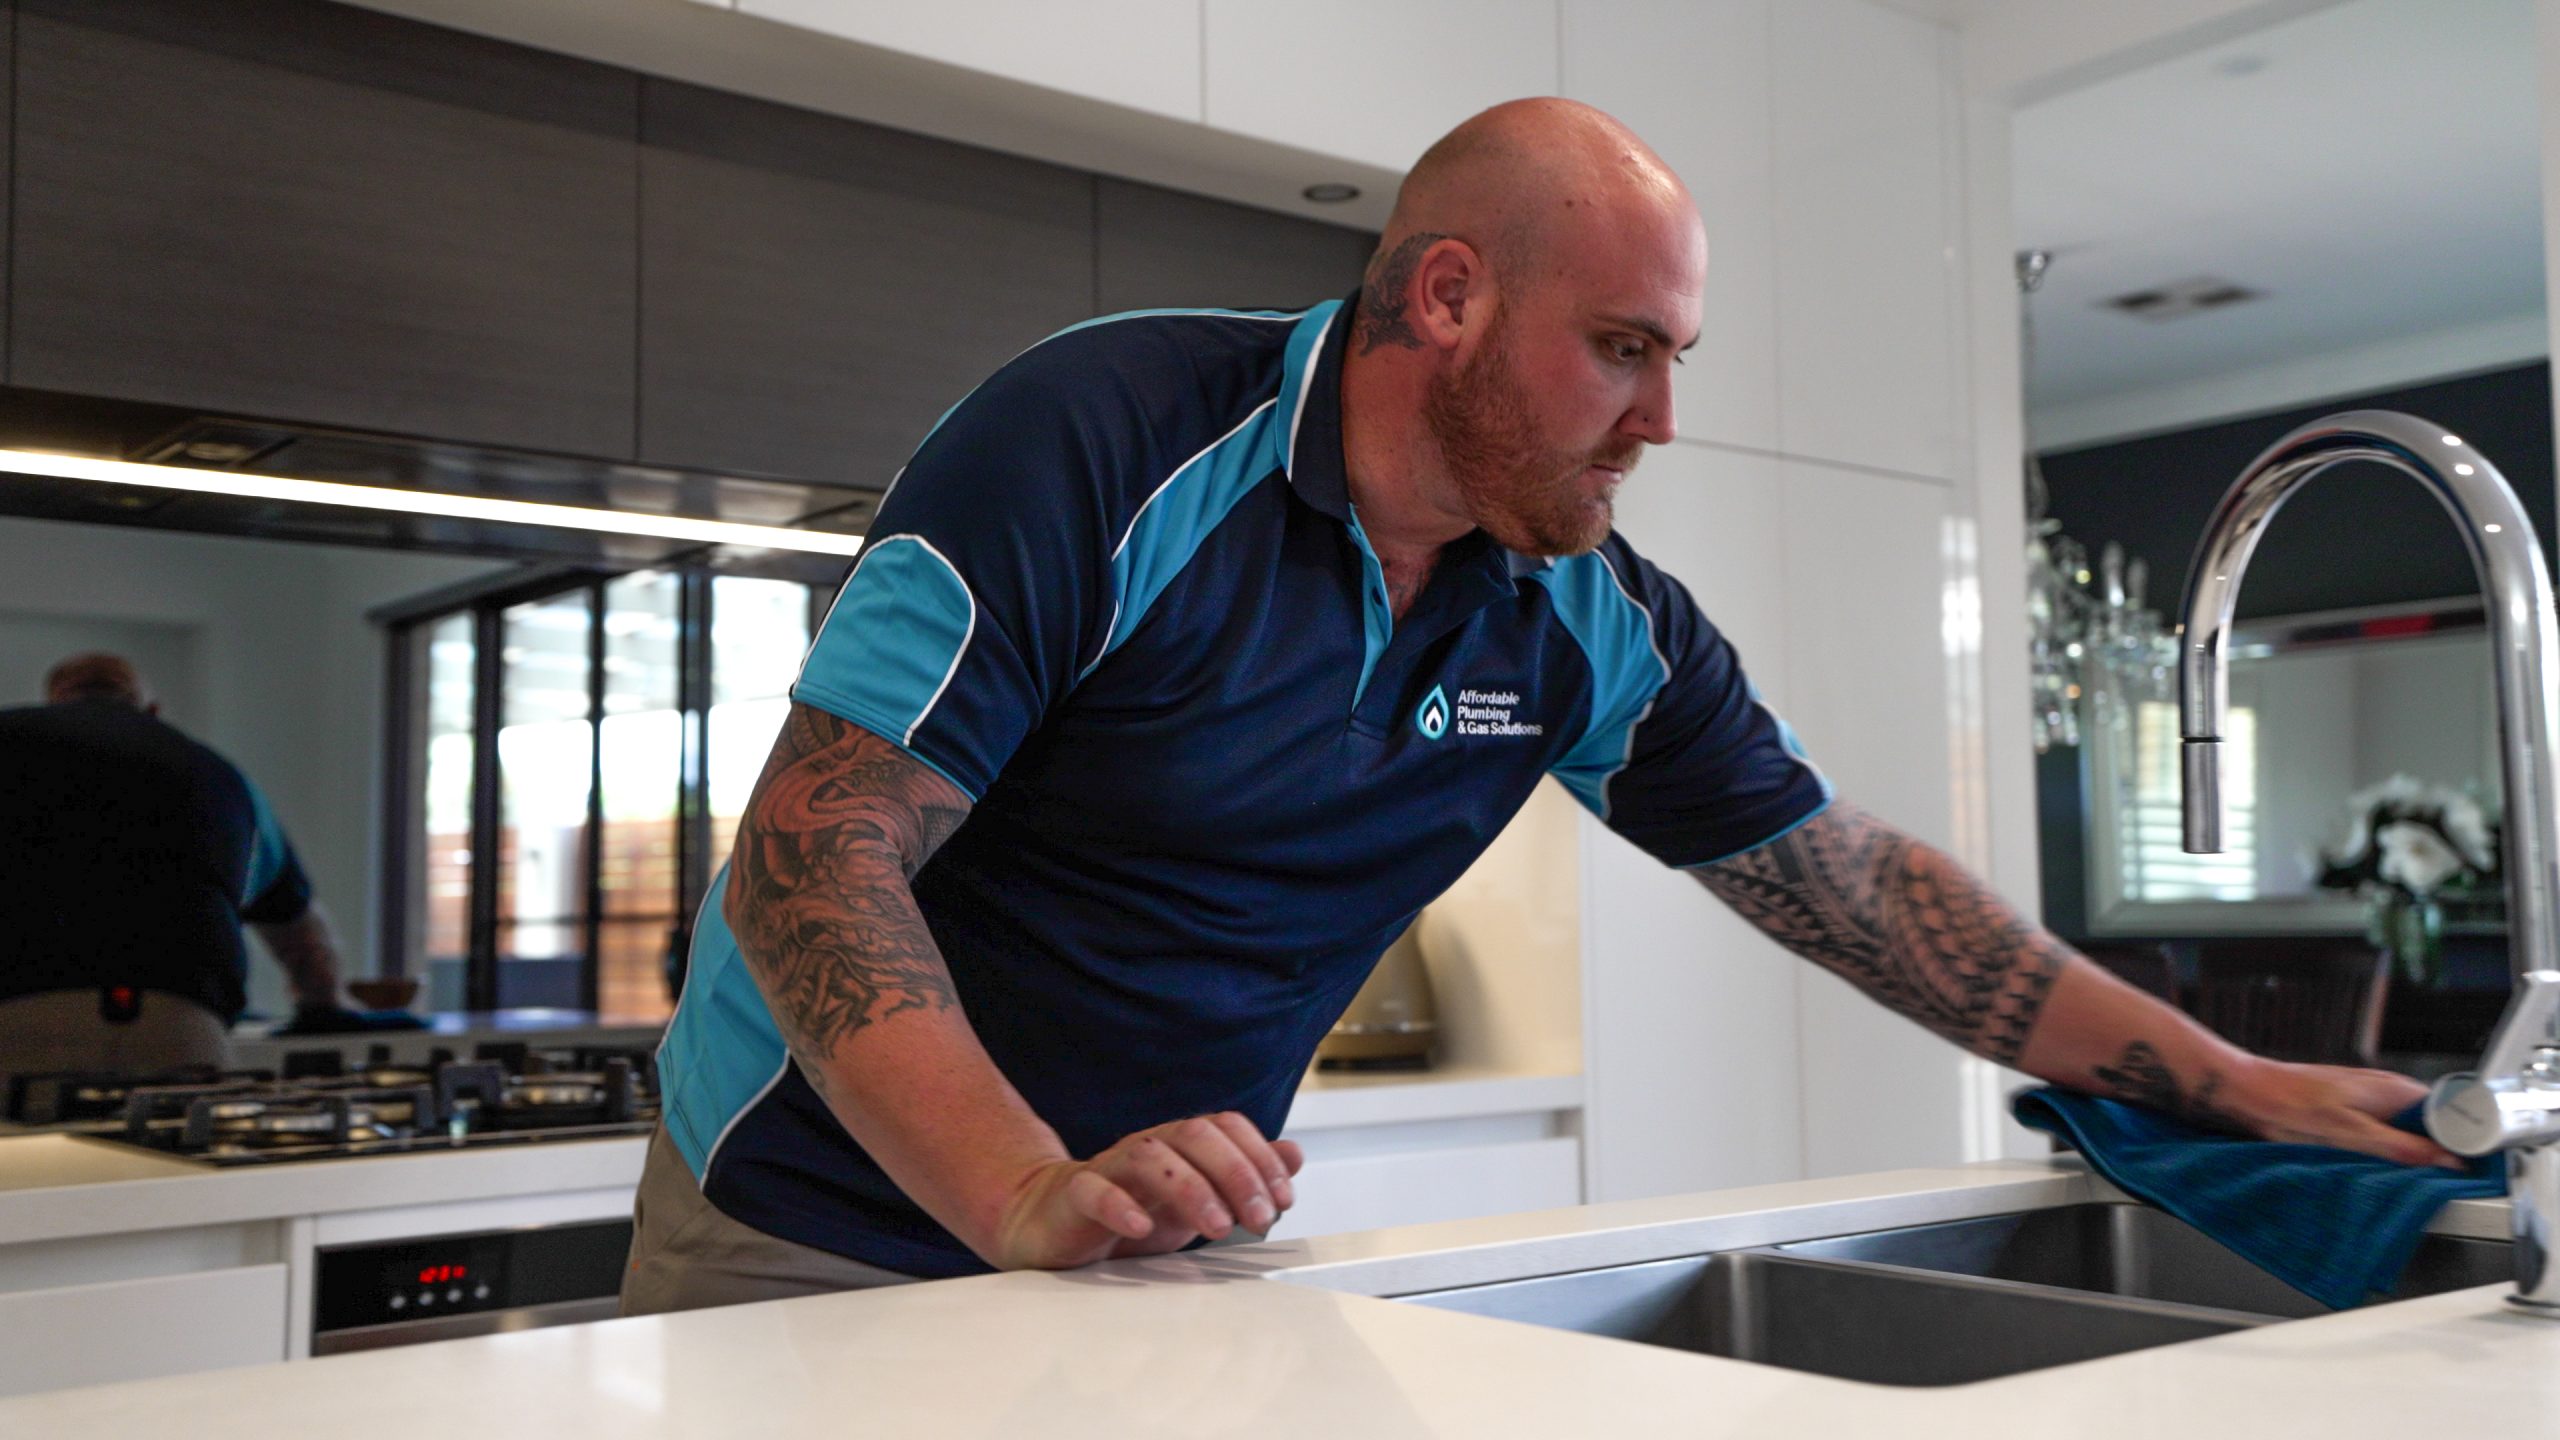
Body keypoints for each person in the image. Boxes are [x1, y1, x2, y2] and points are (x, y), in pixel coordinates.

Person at [623, 99, 2456, 1315]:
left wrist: (2234, 1083)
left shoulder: (1584, 618)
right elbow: (811, 858)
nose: (1661, 419)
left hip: (1144, 1234)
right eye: (1622, 349)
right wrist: (1021, 1190)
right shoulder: (1100, 442)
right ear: (1449, 296)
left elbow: (1852, 887)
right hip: (815, 1216)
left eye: (1675, 358)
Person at [0, 652, 346, 1087]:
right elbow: (306, 942)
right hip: (183, 1026)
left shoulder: (12, 738)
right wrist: (321, 1008)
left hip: (16, 1014)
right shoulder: (222, 776)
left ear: (53, 701)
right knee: (182, 1131)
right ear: (151, 712)